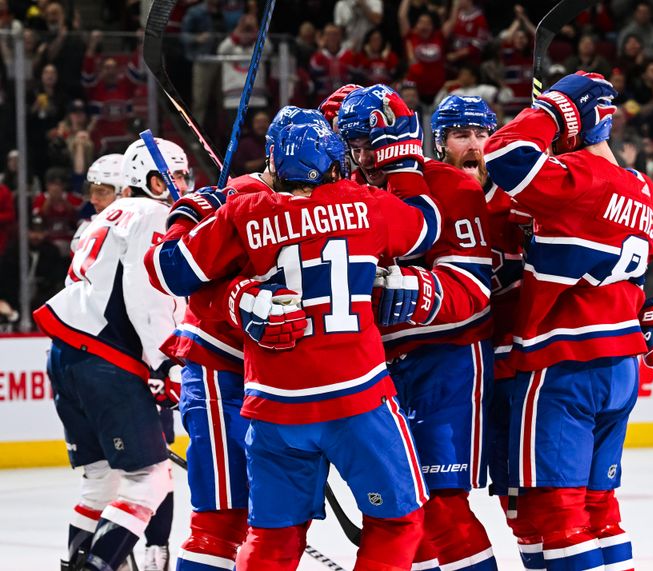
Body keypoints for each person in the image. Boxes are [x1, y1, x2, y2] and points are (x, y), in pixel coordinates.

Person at [146, 117, 442, 570]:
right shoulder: (368, 203)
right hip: (357, 398)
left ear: (273, 163)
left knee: (272, 539)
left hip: (274, 407)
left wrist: (188, 211)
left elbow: (170, 271)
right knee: (400, 522)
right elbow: (428, 225)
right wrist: (399, 160)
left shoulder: (243, 213)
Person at [484, 71, 653, 570]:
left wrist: (548, 110)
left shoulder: (576, 181)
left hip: (563, 365)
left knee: (557, 511)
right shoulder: (644, 189)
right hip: (620, 367)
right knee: (600, 508)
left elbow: (504, 156)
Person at [337, 84, 498, 571]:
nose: (364, 155)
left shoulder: (451, 187)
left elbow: (475, 293)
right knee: (402, 508)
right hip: (380, 371)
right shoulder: (350, 194)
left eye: (373, 142)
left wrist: (419, 291)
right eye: (355, 144)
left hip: (446, 360)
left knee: (444, 509)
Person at [161, 106, 325, 571]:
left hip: (284, 382)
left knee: (281, 521)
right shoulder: (238, 196)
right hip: (222, 370)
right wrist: (189, 218)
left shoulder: (334, 202)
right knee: (220, 521)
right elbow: (171, 273)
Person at [32, 137, 190, 571]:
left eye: (181, 176)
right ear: (145, 178)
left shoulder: (108, 216)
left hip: (68, 354)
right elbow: (149, 298)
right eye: (169, 176)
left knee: (101, 483)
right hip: (107, 359)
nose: (177, 184)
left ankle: (77, 564)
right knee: (150, 479)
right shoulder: (154, 215)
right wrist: (165, 361)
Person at [431, 94, 529, 537]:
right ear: (439, 143)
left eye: (482, 133)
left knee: (522, 502)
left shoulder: (521, 198)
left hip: (512, 369)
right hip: (448, 369)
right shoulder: (425, 204)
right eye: (460, 135)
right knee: (442, 496)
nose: (474, 145)